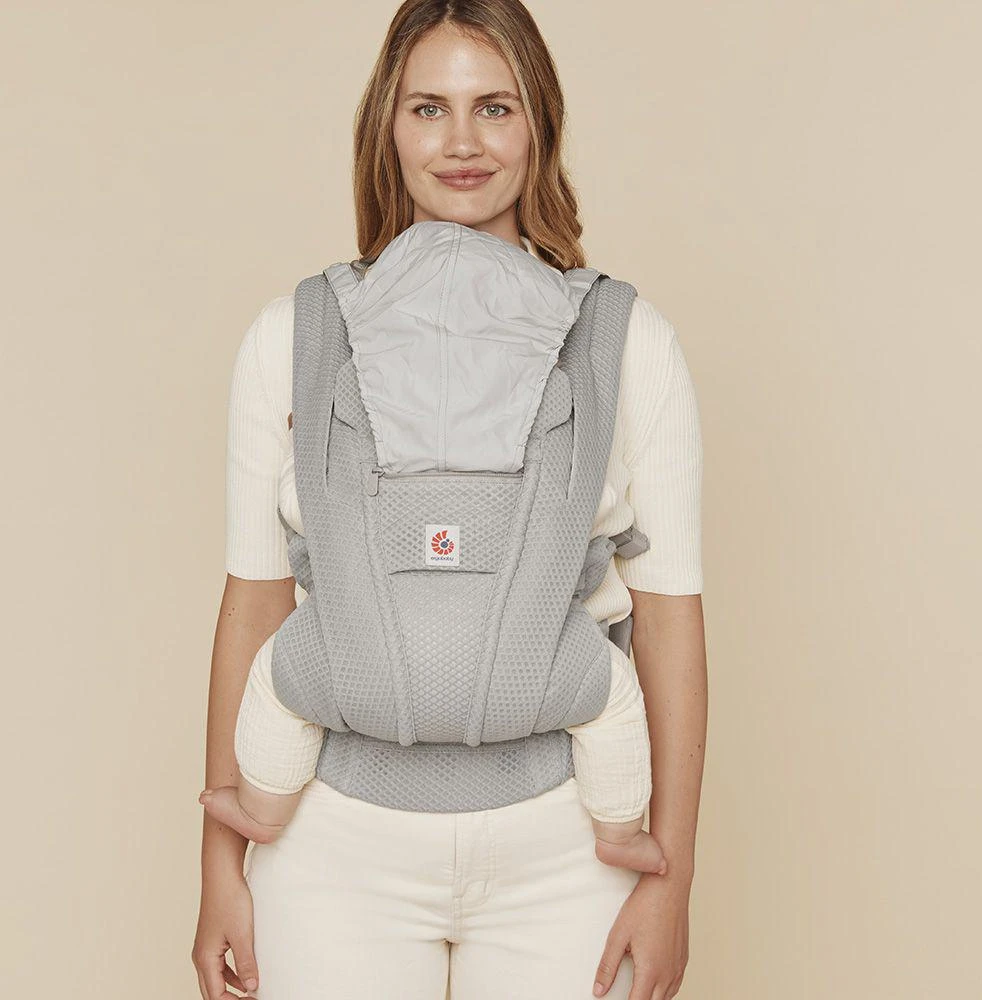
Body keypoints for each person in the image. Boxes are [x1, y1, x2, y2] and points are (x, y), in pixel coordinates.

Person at [192, 3, 708, 999]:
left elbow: (670, 623)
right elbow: (252, 608)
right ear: (387, 126)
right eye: (429, 107)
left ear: (539, 124)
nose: (462, 142)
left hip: (569, 854)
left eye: (494, 108)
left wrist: (671, 881)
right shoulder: (292, 338)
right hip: (330, 851)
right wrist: (220, 867)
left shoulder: (627, 342)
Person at [198, 223, 667, 880]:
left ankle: (263, 808)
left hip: (354, 677)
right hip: (533, 680)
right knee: (613, 700)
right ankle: (619, 834)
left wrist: (306, 461)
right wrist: (616, 534)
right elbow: (605, 516)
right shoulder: (579, 378)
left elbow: (290, 535)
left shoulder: (326, 366)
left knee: (276, 683)